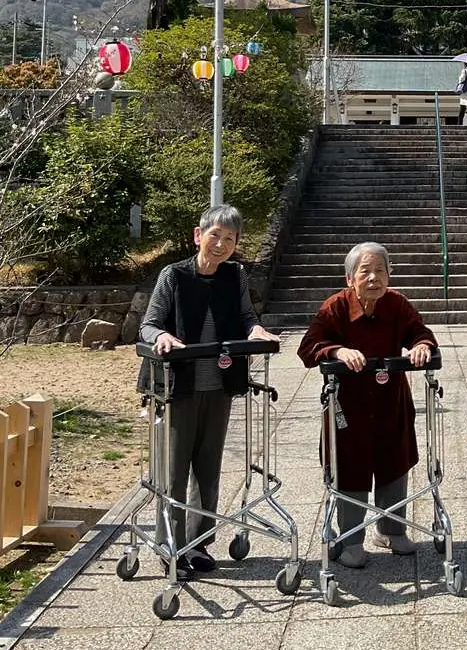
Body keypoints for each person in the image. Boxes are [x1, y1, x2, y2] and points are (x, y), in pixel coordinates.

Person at [139, 204, 278, 578]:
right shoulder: (174, 275)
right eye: (215, 235)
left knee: (208, 468)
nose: (221, 244)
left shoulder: (235, 275)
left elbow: (246, 317)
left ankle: (199, 542)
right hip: (178, 386)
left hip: (220, 385)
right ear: (198, 235)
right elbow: (148, 325)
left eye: (230, 238)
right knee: (174, 471)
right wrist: (162, 336)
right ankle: (171, 546)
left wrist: (255, 331)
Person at [297, 241, 438, 568]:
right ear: (350, 278)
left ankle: (391, 531)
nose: (374, 278)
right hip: (349, 407)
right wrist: (336, 351)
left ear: (389, 275)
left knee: (395, 463)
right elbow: (308, 347)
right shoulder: (335, 307)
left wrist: (421, 345)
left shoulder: (397, 303)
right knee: (351, 468)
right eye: (365, 272)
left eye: (380, 271)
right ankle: (351, 539)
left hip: (391, 402)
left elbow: (420, 332)